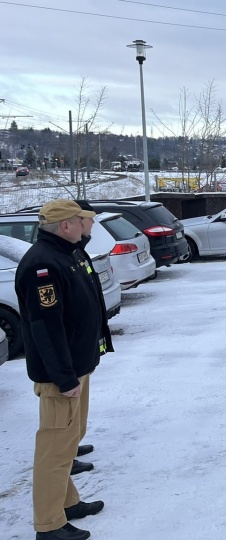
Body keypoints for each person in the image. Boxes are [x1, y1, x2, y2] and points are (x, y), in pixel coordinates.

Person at [17, 200, 108, 540]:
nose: (90, 226)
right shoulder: (43, 264)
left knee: (68, 443)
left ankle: (67, 503)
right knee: (54, 453)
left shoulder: (63, 253)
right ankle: (49, 525)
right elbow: (45, 328)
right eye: (83, 220)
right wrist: (64, 377)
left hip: (75, 368)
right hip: (61, 377)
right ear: (66, 225)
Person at [69, 201, 115, 477]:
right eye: (89, 220)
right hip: (71, 354)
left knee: (77, 412)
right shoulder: (55, 258)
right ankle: (67, 451)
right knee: (63, 418)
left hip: (82, 351)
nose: (93, 225)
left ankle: (71, 445)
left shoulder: (77, 251)